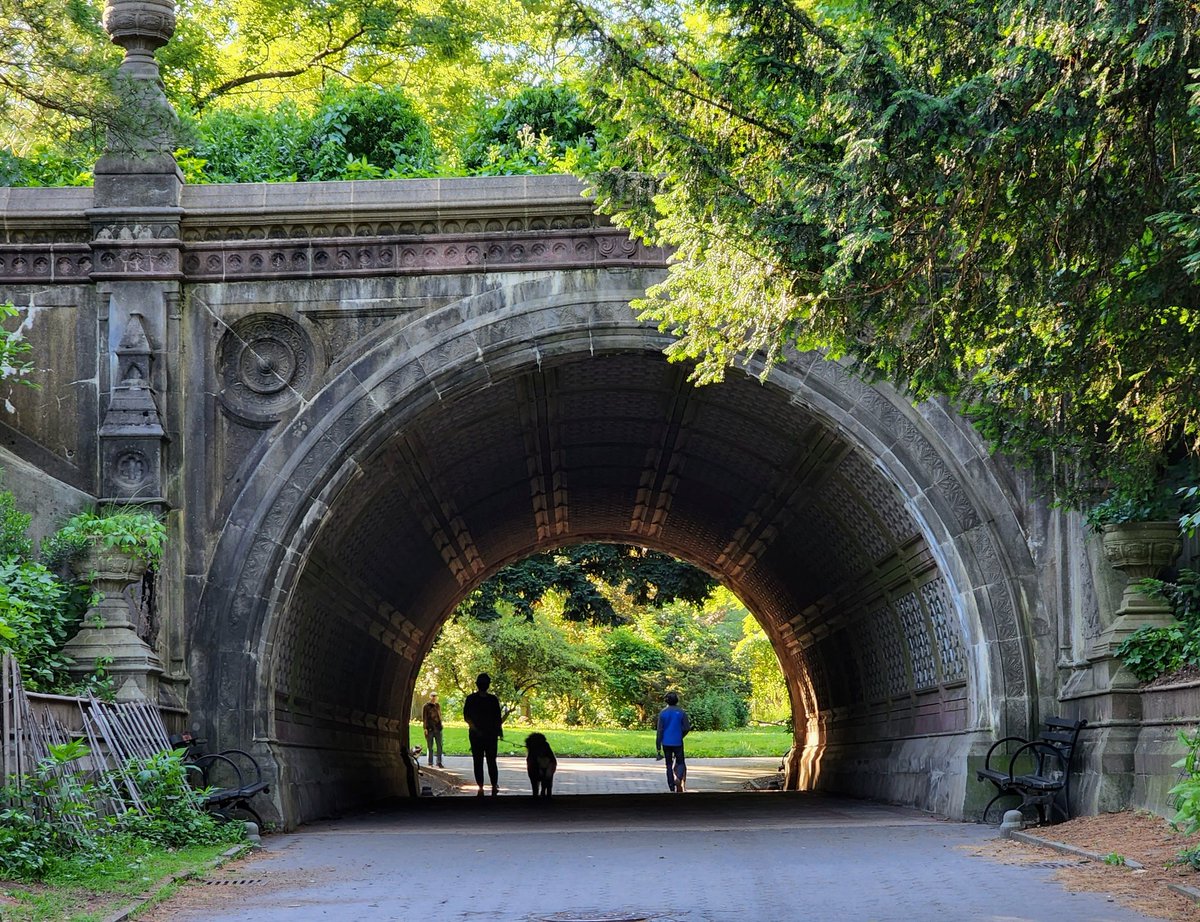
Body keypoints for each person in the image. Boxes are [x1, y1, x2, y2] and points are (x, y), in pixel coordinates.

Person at [463, 672, 504, 796]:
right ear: (488, 685)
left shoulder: (471, 699)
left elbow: (467, 717)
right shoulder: (493, 700)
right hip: (490, 736)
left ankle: (480, 786)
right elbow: (498, 718)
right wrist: (499, 732)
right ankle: (494, 784)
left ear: (477, 685)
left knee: (478, 760)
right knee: (492, 760)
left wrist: (475, 729)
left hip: (476, 736)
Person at [655, 690, 691, 793]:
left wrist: (658, 745)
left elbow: (660, 731)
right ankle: (678, 778)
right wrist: (681, 735)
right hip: (678, 742)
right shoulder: (681, 712)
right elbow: (687, 727)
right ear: (677, 700)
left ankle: (671, 786)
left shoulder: (663, 713)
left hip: (666, 742)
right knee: (680, 762)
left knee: (668, 765)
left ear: (666, 701)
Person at [421, 692, 444, 768]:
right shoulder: (426, 706)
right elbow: (424, 718)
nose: (434, 697)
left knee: (439, 746)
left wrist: (441, 724)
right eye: (433, 696)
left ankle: (439, 762)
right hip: (430, 728)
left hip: (438, 728)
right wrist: (425, 728)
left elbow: (439, 715)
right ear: (430, 697)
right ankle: (430, 762)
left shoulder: (438, 706)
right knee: (430, 746)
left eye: (436, 696)